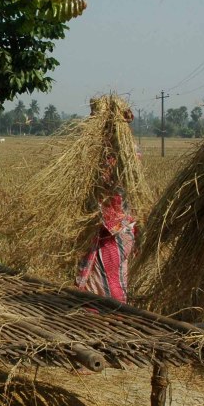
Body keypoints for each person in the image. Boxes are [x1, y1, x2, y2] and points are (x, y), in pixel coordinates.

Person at [75, 106, 138, 303]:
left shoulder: (110, 160)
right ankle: (110, 311)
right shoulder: (129, 155)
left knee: (105, 281)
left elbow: (100, 189)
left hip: (112, 233)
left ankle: (102, 312)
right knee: (115, 277)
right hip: (122, 230)